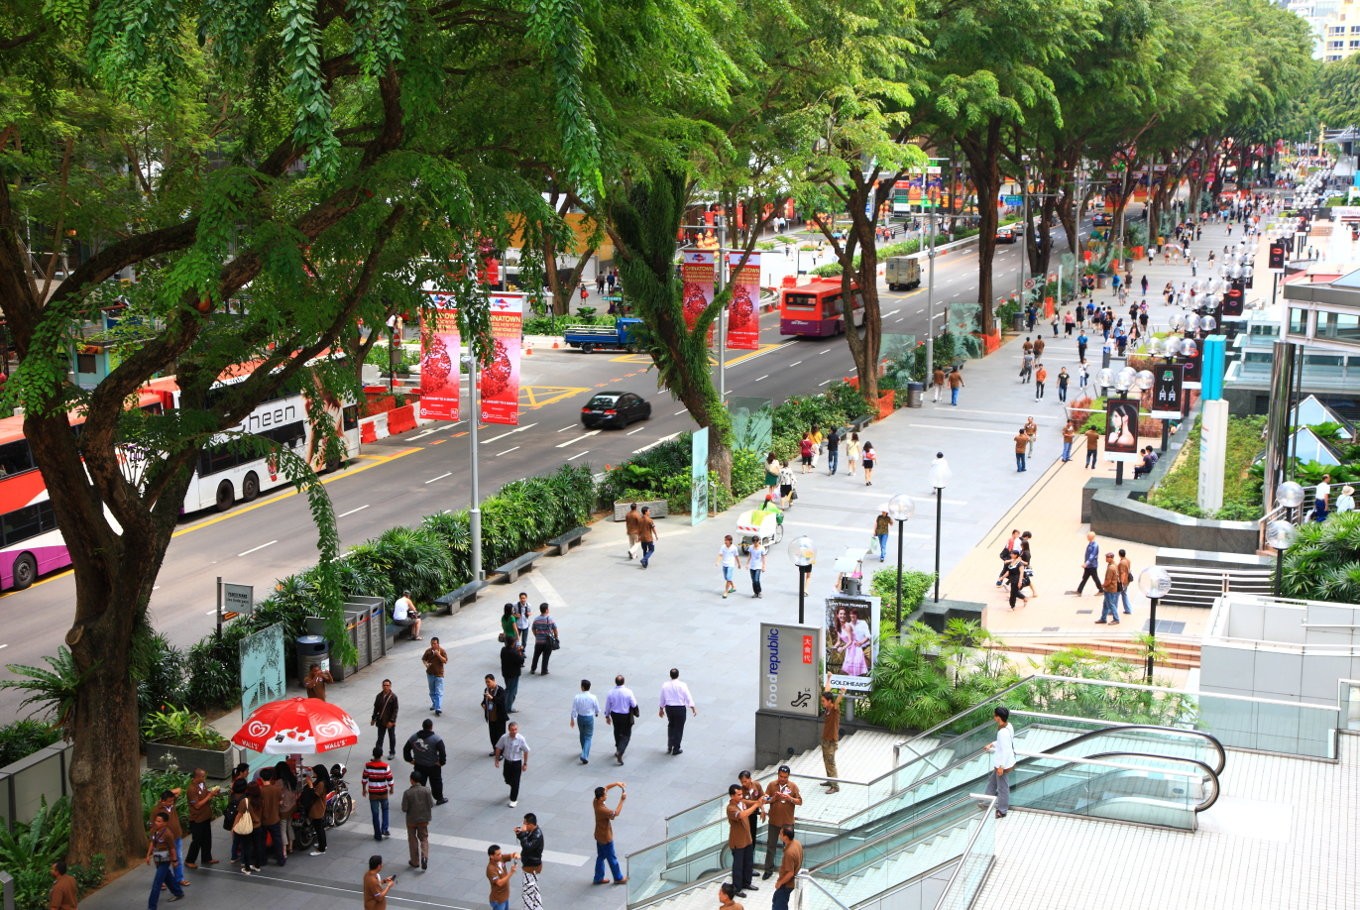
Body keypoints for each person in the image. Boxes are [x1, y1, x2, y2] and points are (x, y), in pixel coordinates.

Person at [761, 766, 802, 880]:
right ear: (777, 775)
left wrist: (789, 798)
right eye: (780, 776)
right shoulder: (771, 785)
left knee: (789, 848)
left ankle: (789, 871)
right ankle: (768, 870)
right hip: (774, 822)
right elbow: (765, 800)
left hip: (787, 823)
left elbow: (800, 801)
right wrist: (774, 798)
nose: (782, 779)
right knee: (771, 846)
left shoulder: (793, 786)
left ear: (788, 776)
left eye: (785, 777)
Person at [726, 784, 761, 898]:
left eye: (741, 794)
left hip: (747, 839)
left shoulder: (742, 802)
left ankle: (747, 883)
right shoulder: (731, 808)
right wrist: (756, 805)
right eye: (738, 794)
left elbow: (749, 802)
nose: (741, 796)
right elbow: (742, 815)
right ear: (732, 796)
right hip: (738, 841)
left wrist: (760, 801)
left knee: (748, 863)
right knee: (738, 866)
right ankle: (737, 887)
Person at [403, 719, 448, 805]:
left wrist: (410, 760)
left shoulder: (414, 737)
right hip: (433, 766)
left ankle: (419, 799)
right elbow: (442, 751)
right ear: (431, 727)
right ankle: (439, 798)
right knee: (436, 782)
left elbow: (406, 749)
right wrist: (441, 762)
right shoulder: (436, 739)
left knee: (419, 783)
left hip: (419, 765)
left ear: (422, 726)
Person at [146, 810, 184, 910]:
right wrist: (148, 855)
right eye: (156, 821)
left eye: (159, 821)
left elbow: (172, 848)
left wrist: (175, 861)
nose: (156, 823)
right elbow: (152, 843)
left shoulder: (168, 834)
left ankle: (151, 907)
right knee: (168, 877)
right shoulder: (154, 830)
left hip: (165, 861)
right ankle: (178, 892)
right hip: (157, 860)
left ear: (165, 823)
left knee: (157, 883)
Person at [591, 782, 628, 885]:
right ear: (602, 798)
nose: (607, 795)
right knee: (612, 858)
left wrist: (616, 784)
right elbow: (616, 813)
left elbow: (606, 787)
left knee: (601, 856)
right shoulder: (602, 810)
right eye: (605, 795)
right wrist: (622, 800)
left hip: (599, 835)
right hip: (605, 837)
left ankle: (598, 877)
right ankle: (618, 877)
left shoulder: (595, 801)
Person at [982, 706, 1015, 818]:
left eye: (995, 715)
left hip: (1003, 765)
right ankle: (987, 803)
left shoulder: (1003, 732)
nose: (993, 716)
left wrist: (1001, 767)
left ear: (998, 717)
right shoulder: (1008, 726)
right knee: (992, 783)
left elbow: (1005, 750)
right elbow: (1003, 743)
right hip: (1002, 763)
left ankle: (1002, 811)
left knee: (1002, 788)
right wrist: (991, 744)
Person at [184, 768, 220, 869]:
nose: (205, 778)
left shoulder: (202, 784)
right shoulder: (191, 790)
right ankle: (189, 860)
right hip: (197, 819)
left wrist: (212, 793)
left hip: (205, 817)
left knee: (207, 839)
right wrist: (210, 795)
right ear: (197, 777)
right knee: (197, 841)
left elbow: (204, 794)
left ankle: (207, 858)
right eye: (203, 776)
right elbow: (197, 805)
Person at [153, 788, 188, 886]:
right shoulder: (157, 810)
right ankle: (162, 881)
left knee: (178, 858)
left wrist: (169, 794)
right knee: (162, 861)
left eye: (173, 801)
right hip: (163, 840)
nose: (172, 803)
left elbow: (179, 790)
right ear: (163, 801)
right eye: (169, 801)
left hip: (176, 837)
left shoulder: (172, 805)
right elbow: (154, 826)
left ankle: (179, 879)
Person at [658, 668, 697, 756]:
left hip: (669, 708)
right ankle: (676, 748)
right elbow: (688, 696)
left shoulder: (665, 685)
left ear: (670, 675)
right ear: (678, 675)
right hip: (679, 708)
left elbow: (662, 697)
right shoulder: (682, 685)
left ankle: (670, 745)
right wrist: (693, 707)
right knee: (679, 728)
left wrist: (661, 708)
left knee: (671, 725)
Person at [401, 773, 435, 871]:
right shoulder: (427, 790)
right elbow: (431, 804)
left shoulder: (407, 793)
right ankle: (424, 856)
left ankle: (415, 861)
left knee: (412, 840)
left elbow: (404, 808)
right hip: (424, 819)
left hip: (411, 820)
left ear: (411, 780)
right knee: (424, 838)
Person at [494, 721, 530, 808]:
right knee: (506, 778)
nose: (514, 731)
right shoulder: (504, 737)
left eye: (515, 729)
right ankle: (512, 785)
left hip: (516, 762)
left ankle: (513, 799)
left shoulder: (521, 739)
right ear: (509, 730)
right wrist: (497, 759)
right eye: (512, 730)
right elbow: (499, 748)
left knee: (516, 781)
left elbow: (526, 751)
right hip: (507, 761)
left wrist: (525, 763)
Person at [513, 815, 545, 910]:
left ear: (531, 824)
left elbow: (527, 846)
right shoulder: (533, 831)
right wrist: (520, 834)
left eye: (525, 823)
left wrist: (522, 836)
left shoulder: (537, 835)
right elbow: (526, 840)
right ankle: (538, 908)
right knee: (534, 889)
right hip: (533, 866)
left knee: (527, 892)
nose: (523, 825)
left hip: (531, 868)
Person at [605, 675, 639, 765]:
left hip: (615, 715)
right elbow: (634, 704)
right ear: (624, 682)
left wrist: (607, 716)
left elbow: (608, 705)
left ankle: (617, 747)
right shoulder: (628, 692)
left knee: (617, 730)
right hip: (625, 715)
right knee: (626, 734)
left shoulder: (611, 692)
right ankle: (620, 751)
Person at [362, 747, 393, 842]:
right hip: (383, 793)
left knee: (375, 814)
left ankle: (377, 834)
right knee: (385, 811)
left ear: (373, 754)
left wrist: (364, 789)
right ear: (382, 755)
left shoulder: (368, 765)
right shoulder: (385, 766)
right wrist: (391, 788)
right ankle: (384, 829)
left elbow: (364, 779)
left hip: (373, 794)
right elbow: (390, 779)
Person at [257, 769, 285, 868]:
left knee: (261, 841)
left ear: (261, 778)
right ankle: (280, 860)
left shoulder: (260, 790)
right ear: (271, 778)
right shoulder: (276, 789)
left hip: (263, 820)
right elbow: (280, 802)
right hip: (275, 819)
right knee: (277, 840)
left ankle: (262, 860)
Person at [771, 827, 803, 910]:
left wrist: (780, 882)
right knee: (778, 899)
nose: (779, 835)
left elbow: (790, 873)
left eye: (781, 834)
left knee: (779, 904)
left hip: (787, 884)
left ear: (785, 837)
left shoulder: (789, 853)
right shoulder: (797, 843)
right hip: (791, 881)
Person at [570, 679, 600, 764]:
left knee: (582, 734)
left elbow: (574, 709)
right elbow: (597, 708)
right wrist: (596, 713)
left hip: (580, 718)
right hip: (589, 718)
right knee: (588, 736)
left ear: (582, 687)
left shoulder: (577, 697)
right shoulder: (593, 697)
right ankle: (584, 754)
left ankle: (584, 750)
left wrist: (572, 719)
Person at [820, 689, 843, 793]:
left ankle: (835, 786)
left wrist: (842, 693)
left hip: (831, 742)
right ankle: (830, 780)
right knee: (826, 761)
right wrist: (829, 679)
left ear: (829, 701)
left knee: (831, 762)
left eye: (824, 701)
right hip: (825, 740)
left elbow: (837, 702)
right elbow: (827, 690)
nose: (822, 703)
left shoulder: (834, 710)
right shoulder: (827, 709)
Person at [305, 764, 330, 855]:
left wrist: (311, 785)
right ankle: (323, 844)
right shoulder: (322, 781)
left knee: (319, 828)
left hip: (317, 808)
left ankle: (321, 849)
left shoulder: (321, 784)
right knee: (320, 828)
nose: (313, 773)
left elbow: (314, 796)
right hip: (319, 807)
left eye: (314, 772)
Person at [481, 674, 509, 756]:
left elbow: (501, 702)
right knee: (492, 736)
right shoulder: (486, 690)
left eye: (488, 682)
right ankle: (495, 750)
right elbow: (484, 700)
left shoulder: (500, 690)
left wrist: (492, 698)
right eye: (486, 682)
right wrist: (483, 704)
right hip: (491, 717)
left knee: (500, 736)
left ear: (493, 680)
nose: (487, 684)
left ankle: (501, 753)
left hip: (499, 718)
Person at [372, 679, 399, 759]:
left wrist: (392, 721)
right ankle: (378, 754)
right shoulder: (379, 696)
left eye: (387, 685)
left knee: (391, 737)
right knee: (380, 738)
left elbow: (395, 710)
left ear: (390, 686)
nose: (386, 687)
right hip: (381, 721)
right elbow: (376, 708)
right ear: (382, 686)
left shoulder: (393, 697)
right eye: (384, 685)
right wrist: (373, 718)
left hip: (390, 721)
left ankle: (392, 752)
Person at [486, 844, 517, 910]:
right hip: (498, 900)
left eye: (500, 853)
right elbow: (499, 883)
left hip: (505, 897)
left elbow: (512, 855)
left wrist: (516, 855)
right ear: (491, 856)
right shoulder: (491, 869)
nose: (500, 855)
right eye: (498, 854)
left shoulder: (500, 858)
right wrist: (511, 872)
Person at [422, 638, 448, 717]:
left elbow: (445, 661)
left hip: (439, 674)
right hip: (430, 674)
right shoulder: (428, 651)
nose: (433, 645)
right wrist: (426, 664)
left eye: (434, 643)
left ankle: (438, 708)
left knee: (439, 691)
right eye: (432, 643)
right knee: (432, 691)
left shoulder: (442, 651)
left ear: (438, 644)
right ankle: (435, 703)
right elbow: (423, 659)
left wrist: (438, 654)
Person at [529, 604, 558, 675]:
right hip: (548, 642)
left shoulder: (536, 619)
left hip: (539, 641)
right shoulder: (550, 619)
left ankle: (533, 669)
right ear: (546, 610)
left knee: (536, 655)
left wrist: (536, 635)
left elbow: (533, 629)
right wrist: (556, 637)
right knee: (546, 656)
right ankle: (544, 670)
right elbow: (555, 630)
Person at [500, 634, 525, 713]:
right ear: (513, 643)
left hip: (506, 673)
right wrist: (520, 652)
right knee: (512, 691)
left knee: (508, 689)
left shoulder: (503, 650)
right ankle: (508, 708)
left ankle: (504, 705)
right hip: (513, 674)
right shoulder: (514, 653)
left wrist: (517, 651)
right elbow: (521, 660)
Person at [1096, 552, 1121, 625]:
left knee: (1111, 604)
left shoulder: (1111, 568)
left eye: (1107, 557)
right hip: (1111, 588)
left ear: (1111, 558)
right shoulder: (1114, 565)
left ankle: (1116, 619)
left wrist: (1102, 586)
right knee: (1106, 604)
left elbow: (1108, 580)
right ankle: (1103, 618)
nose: (1106, 559)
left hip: (1110, 589)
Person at [1074, 531, 1101, 595]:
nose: (1087, 537)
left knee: (1095, 578)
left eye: (1088, 536)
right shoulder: (1090, 544)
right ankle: (1079, 591)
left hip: (1092, 566)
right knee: (1085, 578)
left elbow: (1092, 556)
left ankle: (1101, 590)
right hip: (1088, 566)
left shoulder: (1095, 545)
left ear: (1091, 537)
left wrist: (1086, 563)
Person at [1117, 549, 1133, 614]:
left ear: (1119, 554)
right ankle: (1128, 609)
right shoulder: (1128, 560)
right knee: (1124, 594)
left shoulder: (1122, 563)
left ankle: (1112, 610)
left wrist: (1121, 583)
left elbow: (1123, 573)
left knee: (1116, 596)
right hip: (1127, 581)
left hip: (1123, 581)